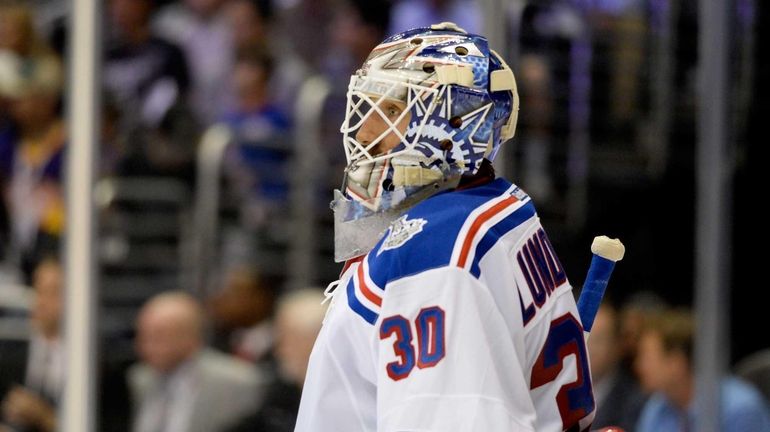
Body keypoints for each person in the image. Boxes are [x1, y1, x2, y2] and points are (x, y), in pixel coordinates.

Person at [296, 22, 595, 431]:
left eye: (391, 111)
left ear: (454, 125)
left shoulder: (433, 251)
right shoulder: (493, 204)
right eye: (366, 108)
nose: (365, 131)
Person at [129, 291, 263, 432]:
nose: (146, 346)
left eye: (159, 336)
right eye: (143, 336)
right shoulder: (139, 378)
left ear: (190, 336)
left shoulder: (239, 381)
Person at [635, 308, 770, 432]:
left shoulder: (740, 409)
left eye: (646, 357)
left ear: (676, 362)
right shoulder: (657, 407)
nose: (638, 366)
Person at [587, 302, 646, 430]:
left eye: (598, 340)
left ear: (616, 345)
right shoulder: (556, 393)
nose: (588, 348)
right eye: (584, 337)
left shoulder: (635, 403)